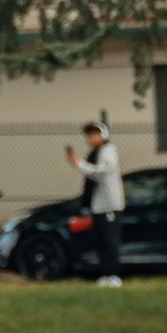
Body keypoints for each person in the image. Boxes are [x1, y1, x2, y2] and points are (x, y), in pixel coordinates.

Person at [65, 119, 125, 283]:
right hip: (98, 207)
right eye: (88, 135)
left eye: (93, 135)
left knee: (111, 240)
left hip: (110, 208)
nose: (89, 139)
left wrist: (78, 163)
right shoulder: (95, 154)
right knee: (102, 241)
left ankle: (114, 276)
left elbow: (100, 173)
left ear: (103, 135)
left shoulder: (108, 152)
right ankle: (105, 275)